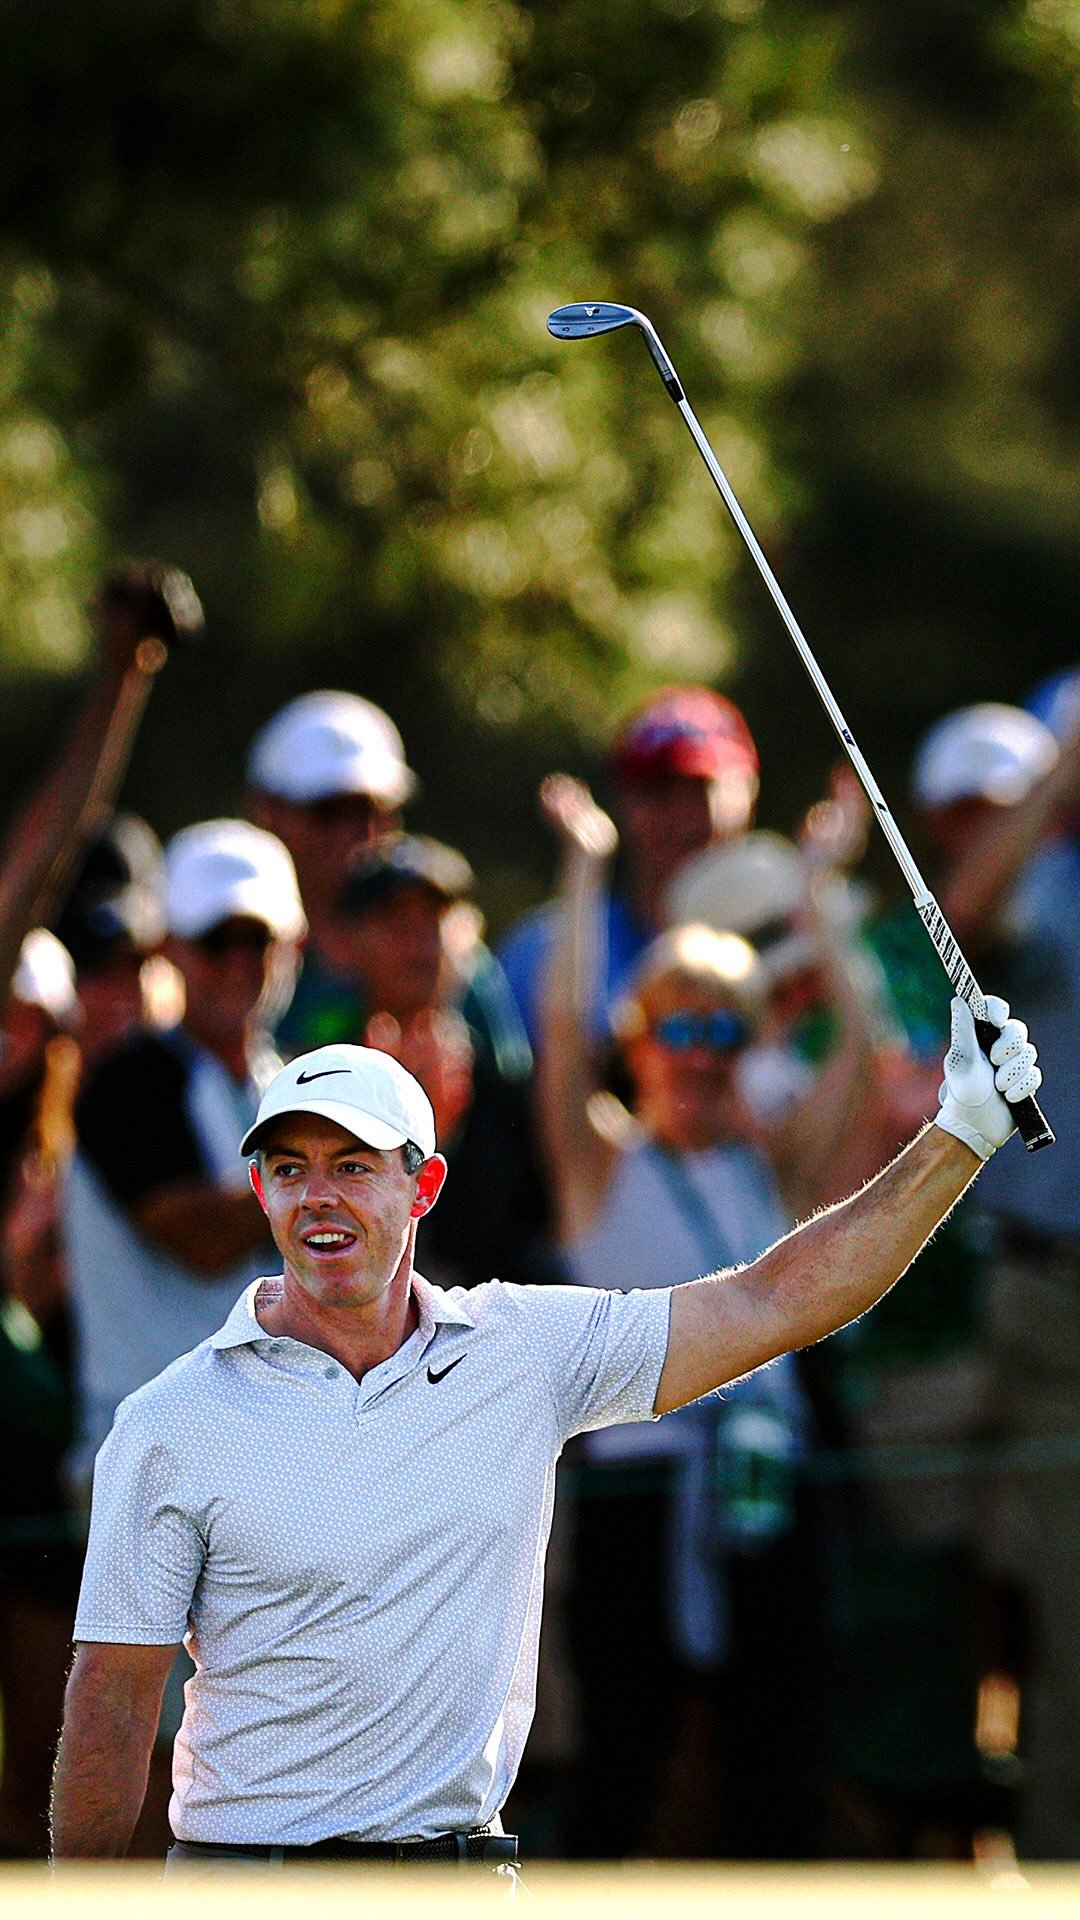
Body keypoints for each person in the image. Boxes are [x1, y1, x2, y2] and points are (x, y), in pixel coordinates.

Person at [51, 996, 1039, 1864]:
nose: (318, 1197)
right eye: (287, 1168)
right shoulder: (168, 1423)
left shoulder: (522, 1349)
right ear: (260, 1190)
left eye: (353, 1166)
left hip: (455, 1876)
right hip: (246, 1880)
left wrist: (958, 1133)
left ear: (422, 1188)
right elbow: (110, 1708)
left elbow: (772, 1303)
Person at [535, 777, 880, 1856]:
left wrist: (822, 895)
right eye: (673, 1025)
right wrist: (588, 869)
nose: (696, 1050)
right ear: (635, 1043)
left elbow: (864, 1056)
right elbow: (555, 1031)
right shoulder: (601, 1166)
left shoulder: (771, 1171)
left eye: (720, 1027)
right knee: (625, 1768)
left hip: (764, 1493)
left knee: (776, 1766)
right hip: (639, 1496)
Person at [61, 819, 306, 1485]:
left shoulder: (282, 1082)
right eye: (214, 941)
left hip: (263, 1462)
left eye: (255, 940)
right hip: (143, 1469)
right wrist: (339, 1184)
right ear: (169, 947)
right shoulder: (126, 1081)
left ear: (292, 947)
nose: (237, 963)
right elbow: (201, 1238)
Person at [498, 685, 760, 1053]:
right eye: (659, 791)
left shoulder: (807, 954)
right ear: (621, 800)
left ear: (749, 792)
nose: (683, 818)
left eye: (703, 790)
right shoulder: (542, 951)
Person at [335, 834, 546, 1290]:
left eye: (435, 919)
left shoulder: (506, 1083)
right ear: (349, 943)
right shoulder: (319, 1081)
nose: (421, 943)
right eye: (396, 921)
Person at [246, 690, 415, 1057]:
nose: (356, 833)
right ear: (267, 811)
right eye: (328, 810)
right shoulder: (232, 956)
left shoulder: (443, 954)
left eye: (372, 810)